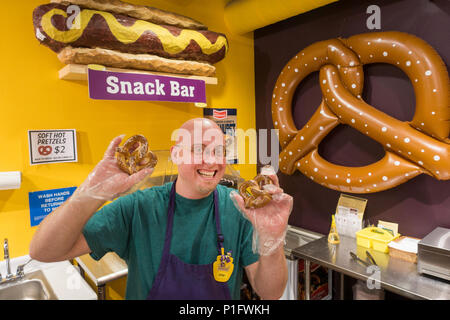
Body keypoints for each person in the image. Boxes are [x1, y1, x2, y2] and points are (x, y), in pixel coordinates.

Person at [29, 118, 293, 300]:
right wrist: (91, 192)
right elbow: (43, 251)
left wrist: (272, 240)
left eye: (219, 150)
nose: (212, 160)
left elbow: (270, 293)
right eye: (199, 149)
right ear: (176, 154)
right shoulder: (138, 207)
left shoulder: (239, 207)